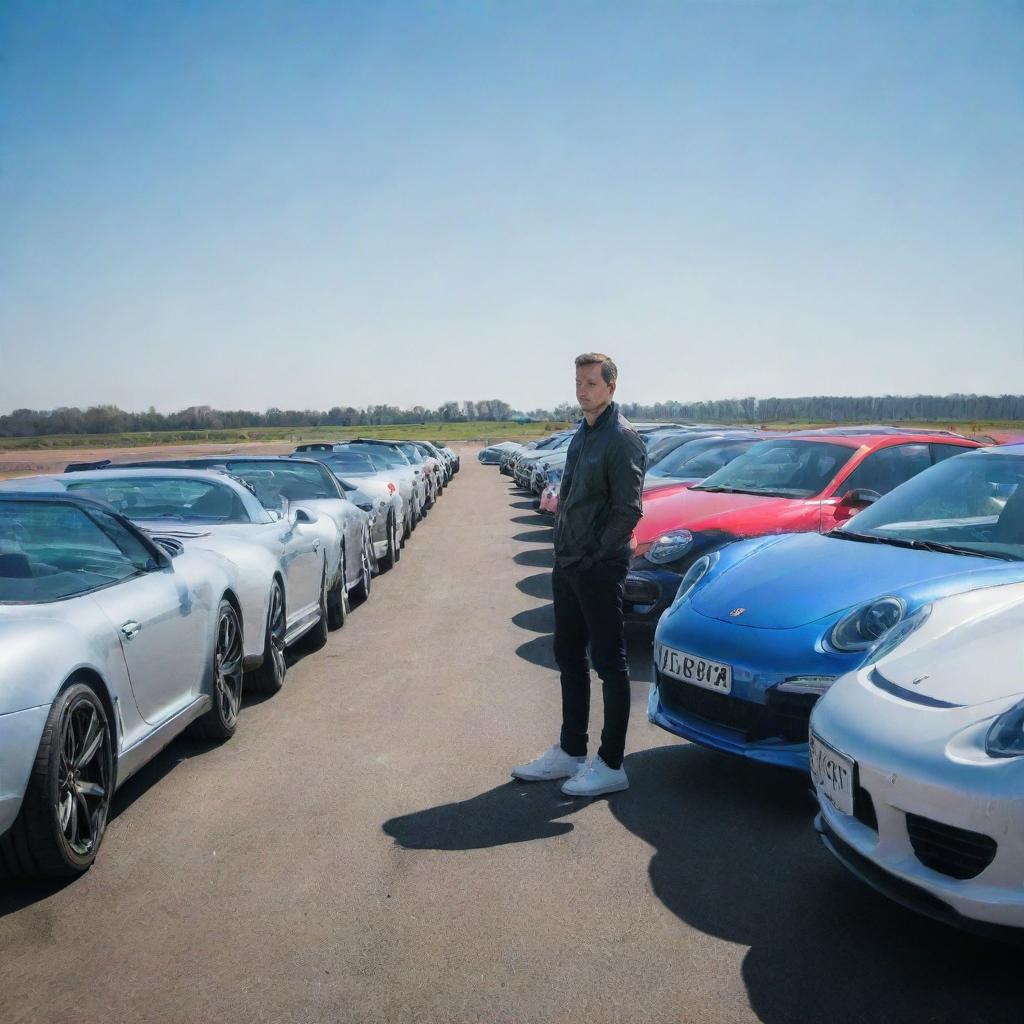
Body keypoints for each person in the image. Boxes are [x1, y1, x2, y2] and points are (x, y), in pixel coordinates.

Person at [512, 353, 646, 796]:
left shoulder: (621, 439)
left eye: (591, 383)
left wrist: (594, 556)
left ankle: (611, 764)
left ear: (611, 387)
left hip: (599, 568)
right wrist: (564, 550)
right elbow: (570, 497)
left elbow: (627, 510)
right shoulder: (582, 435)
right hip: (568, 563)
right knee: (569, 657)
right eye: (578, 382)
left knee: (609, 663)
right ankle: (571, 751)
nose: (582, 390)